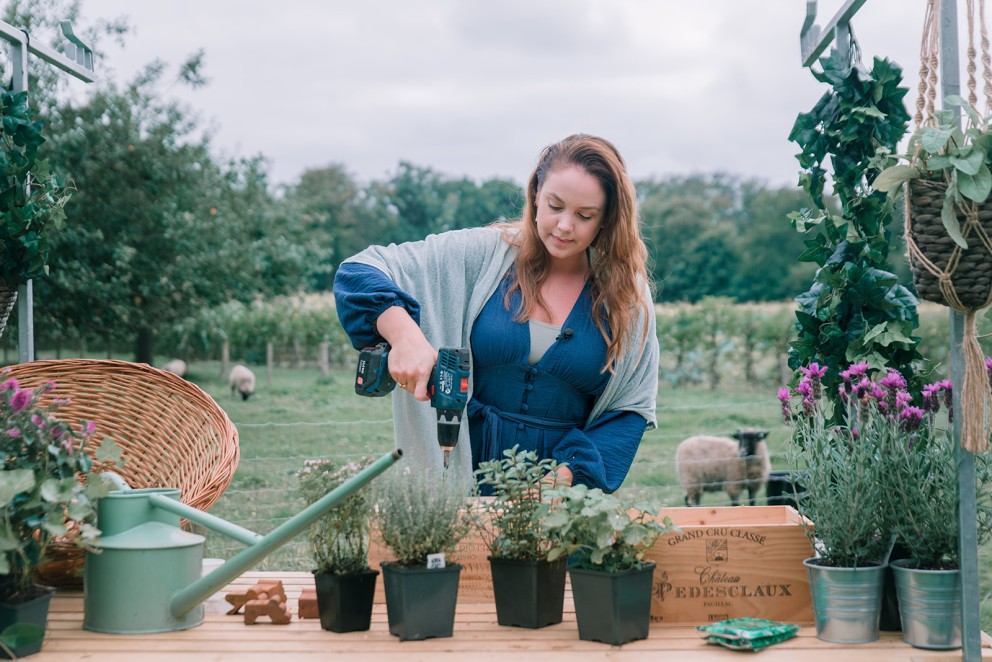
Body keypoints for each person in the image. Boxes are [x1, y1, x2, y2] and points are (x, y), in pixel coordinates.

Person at [333, 134, 659, 491]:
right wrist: (405, 337)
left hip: (561, 499)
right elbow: (359, 272)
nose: (565, 225)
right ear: (535, 194)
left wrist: (558, 486)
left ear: (606, 219)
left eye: (584, 215)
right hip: (457, 480)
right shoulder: (480, 255)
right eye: (554, 206)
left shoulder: (627, 298)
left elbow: (628, 412)